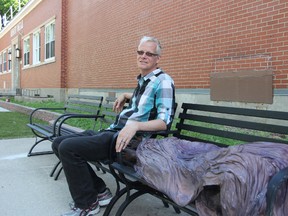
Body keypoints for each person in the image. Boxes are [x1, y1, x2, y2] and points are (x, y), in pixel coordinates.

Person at [52, 36, 175, 216]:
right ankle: (100, 191)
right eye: (140, 52)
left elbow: (164, 121)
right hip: (113, 133)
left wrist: (135, 126)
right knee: (58, 143)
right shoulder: (144, 80)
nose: (143, 56)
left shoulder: (163, 81)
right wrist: (125, 95)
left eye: (149, 53)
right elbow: (144, 105)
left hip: (127, 142)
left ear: (158, 58)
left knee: (68, 148)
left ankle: (86, 205)